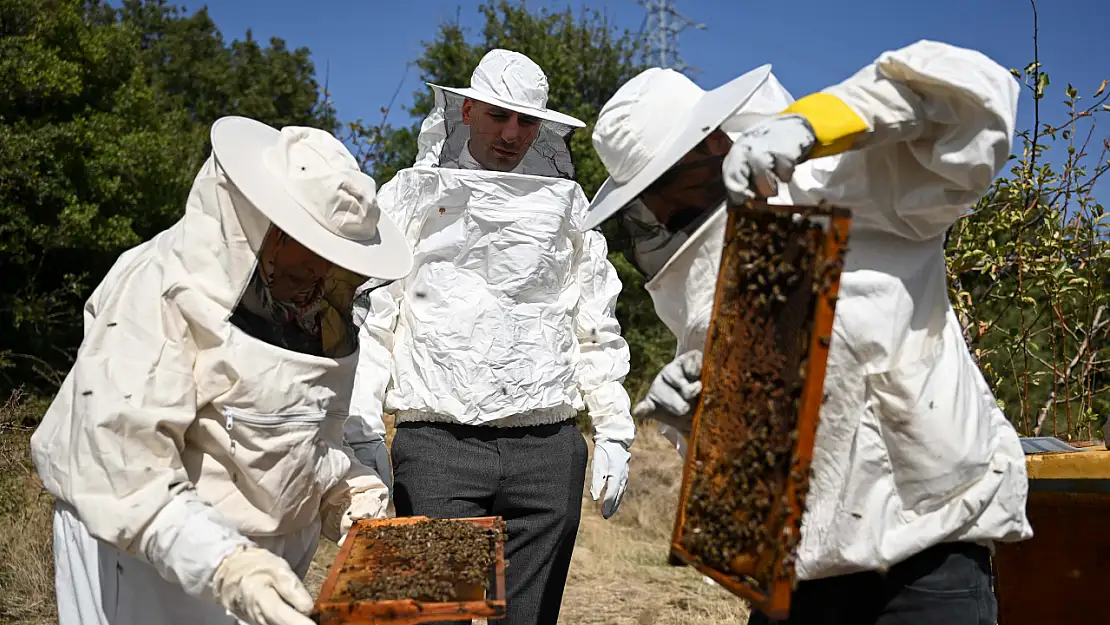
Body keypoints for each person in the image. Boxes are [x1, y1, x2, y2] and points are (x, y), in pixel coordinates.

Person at [584, 41, 1032, 625]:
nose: (659, 203)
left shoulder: (850, 177)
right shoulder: (698, 281)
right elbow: (750, 465)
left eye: (667, 178)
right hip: (794, 583)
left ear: (713, 142)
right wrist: (695, 422)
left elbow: (980, 99)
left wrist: (816, 122)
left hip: (925, 560)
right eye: (646, 192)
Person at [30, 116, 414, 625]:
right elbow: (120, 464)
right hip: (147, 557)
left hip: (261, 568)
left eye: (337, 260)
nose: (322, 276)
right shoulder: (158, 288)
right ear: (265, 226)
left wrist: (344, 490)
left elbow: (298, 433)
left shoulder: (307, 311)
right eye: (314, 252)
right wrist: (227, 564)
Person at [347, 49, 636, 625]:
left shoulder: (569, 208)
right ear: (468, 109)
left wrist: (615, 430)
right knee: (428, 617)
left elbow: (594, 324)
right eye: (498, 115)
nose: (511, 133)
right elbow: (375, 319)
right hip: (436, 448)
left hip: (548, 451)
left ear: (544, 126)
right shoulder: (410, 194)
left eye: (526, 121)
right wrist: (359, 438)